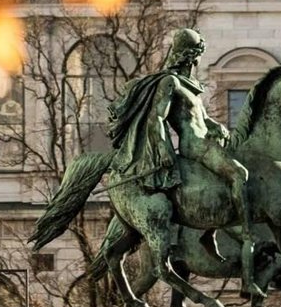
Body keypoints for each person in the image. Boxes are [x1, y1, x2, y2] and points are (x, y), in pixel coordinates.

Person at [106, 28, 254, 280]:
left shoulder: (190, 86)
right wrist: (164, 150)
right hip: (194, 145)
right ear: (186, 56)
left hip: (204, 139)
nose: (197, 62)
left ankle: (211, 229)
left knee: (223, 181)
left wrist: (215, 126)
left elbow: (200, 119)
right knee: (239, 174)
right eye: (195, 56)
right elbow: (156, 118)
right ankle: (244, 234)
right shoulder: (169, 82)